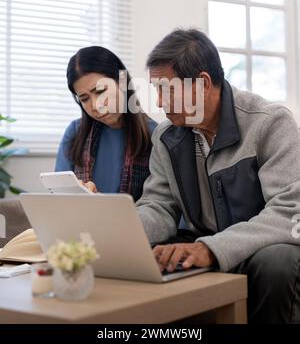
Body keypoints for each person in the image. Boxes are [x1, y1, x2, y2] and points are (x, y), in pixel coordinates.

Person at [136, 28, 300, 323]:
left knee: (278, 260)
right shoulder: (166, 137)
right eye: (156, 90)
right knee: (152, 253)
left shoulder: (270, 123)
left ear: (202, 83)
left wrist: (211, 249)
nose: (159, 103)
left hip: (258, 249)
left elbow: (289, 211)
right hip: (206, 243)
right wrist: (122, 235)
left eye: (167, 90)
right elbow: (158, 205)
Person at [55, 46, 156, 200]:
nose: (96, 105)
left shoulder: (156, 136)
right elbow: (58, 197)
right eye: (84, 99)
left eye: (101, 91)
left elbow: (160, 205)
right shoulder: (74, 133)